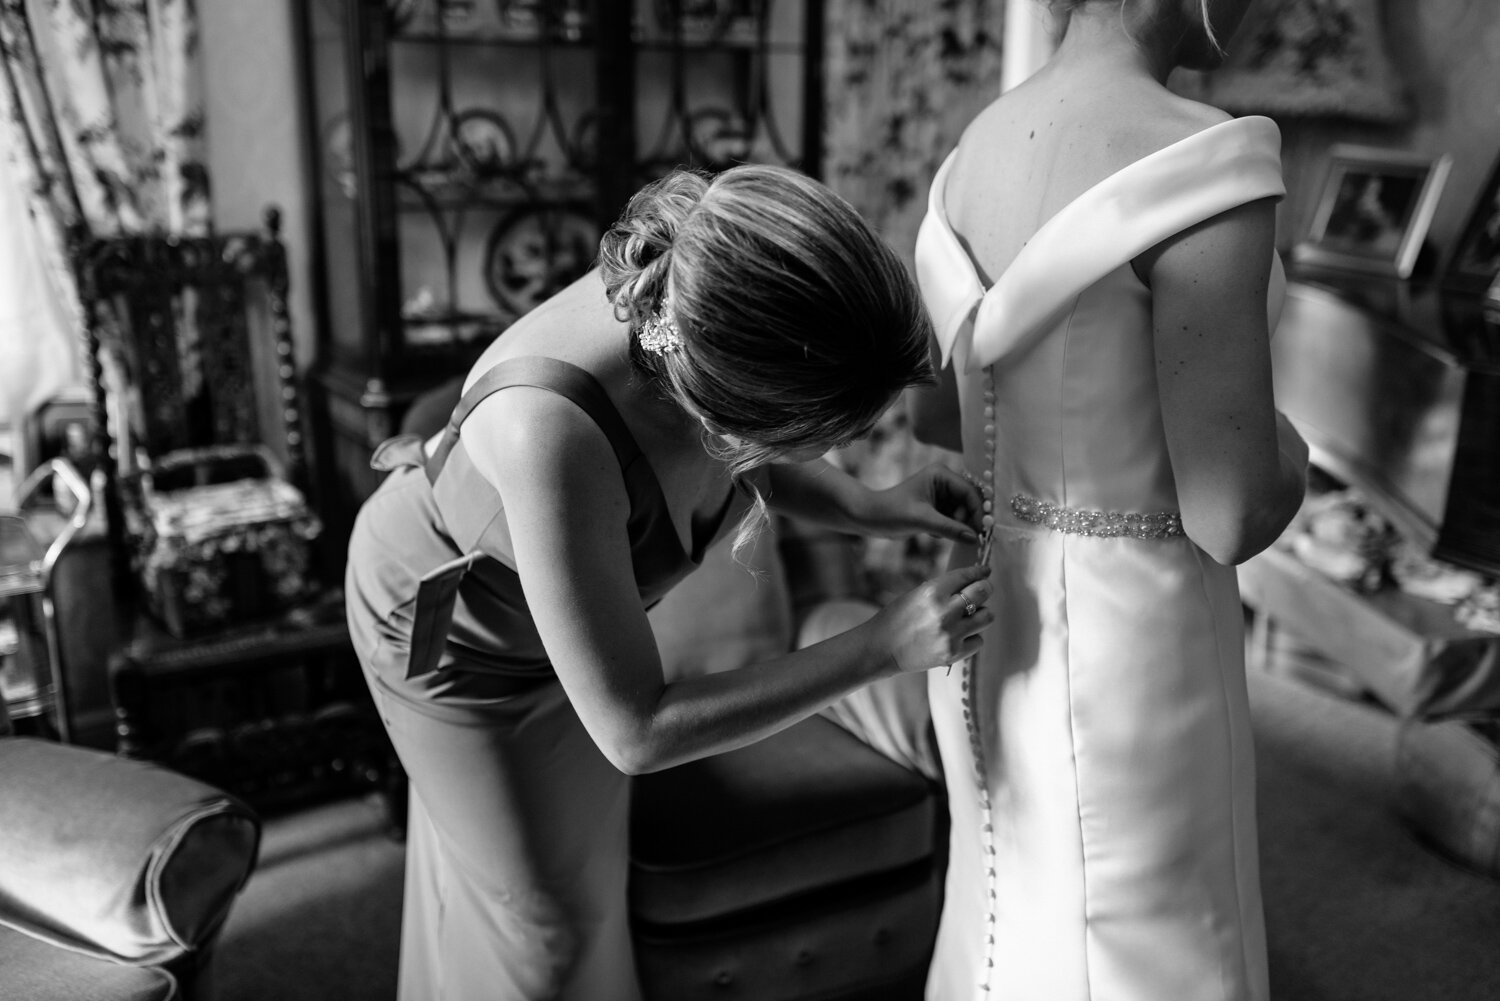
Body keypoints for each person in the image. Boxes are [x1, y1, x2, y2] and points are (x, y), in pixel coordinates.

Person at [345, 163, 995, 1001]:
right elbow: (636, 730)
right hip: (457, 648)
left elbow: (736, 452)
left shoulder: (705, 294)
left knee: (573, 887)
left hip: (573, 627)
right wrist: (881, 645)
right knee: (547, 930)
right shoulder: (552, 433)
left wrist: (871, 507)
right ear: (731, 400)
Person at [910, 1, 1309, 998]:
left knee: (1012, 930)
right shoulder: (1201, 160)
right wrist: (1288, 446)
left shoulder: (970, 154)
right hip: (1136, 658)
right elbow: (1232, 511)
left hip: (983, 626)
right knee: (1153, 950)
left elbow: (939, 422)